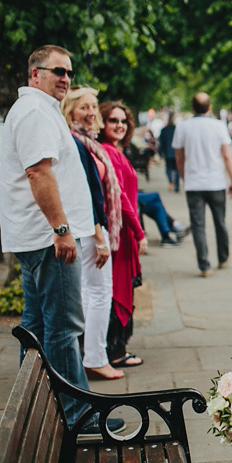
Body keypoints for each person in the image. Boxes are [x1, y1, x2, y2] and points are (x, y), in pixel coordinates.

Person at [0, 45, 123, 433]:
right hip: (49, 239)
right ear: (35, 74)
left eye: (68, 72)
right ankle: (78, 414)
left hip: (40, 237)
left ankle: (36, 407)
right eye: (57, 71)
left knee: (35, 325)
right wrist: (63, 230)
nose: (66, 78)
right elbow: (39, 174)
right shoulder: (35, 111)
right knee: (65, 326)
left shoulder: (40, 109)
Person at [60, 86, 122, 381]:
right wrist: (100, 236)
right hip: (90, 230)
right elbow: (86, 194)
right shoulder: (76, 142)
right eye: (83, 107)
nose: (91, 113)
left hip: (90, 229)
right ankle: (95, 358)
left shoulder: (86, 141)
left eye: (93, 107)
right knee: (98, 294)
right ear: (70, 110)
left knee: (90, 292)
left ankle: (89, 356)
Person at [99, 101, 148, 370]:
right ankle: (115, 351)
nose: (119, 125)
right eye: (112, 120)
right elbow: (121, 199)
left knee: (120, 287)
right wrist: (140, 233)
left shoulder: (116, 151)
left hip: (123, 232)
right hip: (121, 233)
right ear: (102, 124)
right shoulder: (110, 153)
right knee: (118, 290)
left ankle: (115, 348)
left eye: (123, 121)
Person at [173, 93, 232, 277]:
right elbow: (227, 155)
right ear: (210, 107)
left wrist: (185, 177)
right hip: (216, 182)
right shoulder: (219, 126)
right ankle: (223, 257)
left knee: (198, 225)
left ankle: (204, 265)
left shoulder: (183, 127)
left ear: (193, 108)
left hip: (194, 184)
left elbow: (179, 157)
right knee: (220, 222)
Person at [158, 112, 180, 192]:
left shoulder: (164, 130)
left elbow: (161, 143)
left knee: (169, 168)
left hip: (168, 153)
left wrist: (160, 153)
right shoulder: (177, 129)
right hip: (177, 153)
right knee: (177, 169)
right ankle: (177, 186)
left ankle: (171, 181)